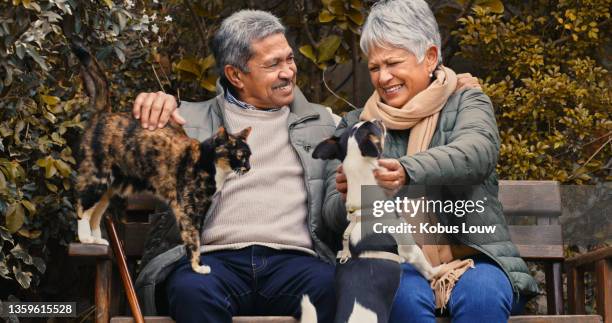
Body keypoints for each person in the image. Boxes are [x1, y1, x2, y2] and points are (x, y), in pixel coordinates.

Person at [322, 1, 538, 322]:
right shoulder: (355, 125)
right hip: (395, 262)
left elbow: (476, 152)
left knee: (483, 297)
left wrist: (406, 171)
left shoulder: (468, 101)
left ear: (430, 58)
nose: (383, 77)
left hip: (474, 260)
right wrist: (350, 198)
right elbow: (330, 218)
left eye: (393, 63)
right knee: (399, 297)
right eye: (374, 67)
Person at [131, 10, 340, 323]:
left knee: (331, 286)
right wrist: (151, 106)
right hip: (213, 263)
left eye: (289, 59)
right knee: (191, 291)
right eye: (273, 64)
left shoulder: (325, 123)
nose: (288, 72)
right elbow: (126, 154)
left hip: (295, 263)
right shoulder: (187, 121)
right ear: (236, 75)